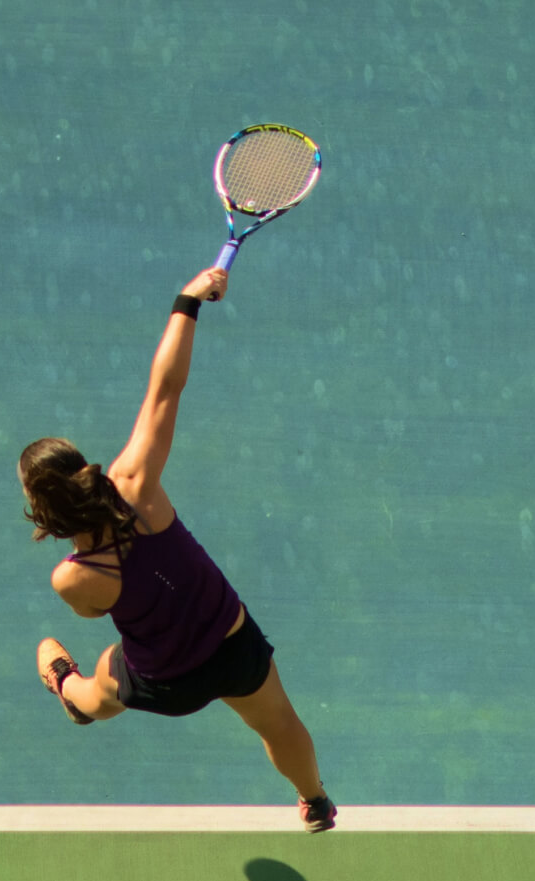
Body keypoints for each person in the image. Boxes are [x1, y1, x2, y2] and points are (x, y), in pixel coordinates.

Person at [19, 268, 336, 832]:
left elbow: (98, 610)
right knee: (279, 724)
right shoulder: (135, 481)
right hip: (231, 642)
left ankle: (67, 690)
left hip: (169, 681)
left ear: (44, 511)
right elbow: (165, 388)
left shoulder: (70, 578)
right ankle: (314, 800)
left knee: (100, 687)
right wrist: (187, 301)